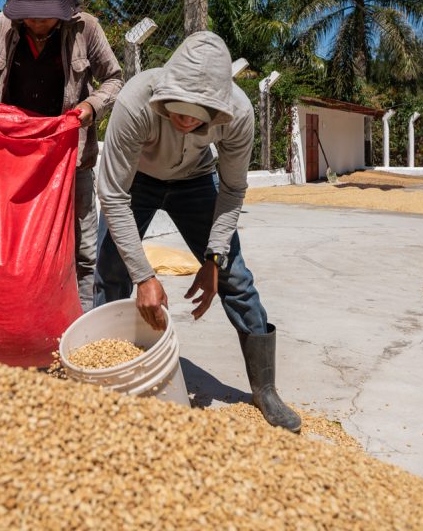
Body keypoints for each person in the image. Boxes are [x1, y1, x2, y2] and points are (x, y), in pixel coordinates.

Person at [93, 31, 301, 432]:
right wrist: (144, 275)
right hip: (137, 184)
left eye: (198, 114)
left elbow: (233, 188)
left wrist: (214, 257)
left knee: (235, 278)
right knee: (112, 270)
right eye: (178, 108)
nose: (186, 120)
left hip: (195, 182)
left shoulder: (239, 114)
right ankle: (102, 374)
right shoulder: (136, 99)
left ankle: (266, 389)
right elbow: (113, 194)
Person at [0, 0, 122, 311]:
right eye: (30, 17)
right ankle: (19, 315)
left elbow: (114, 79)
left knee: (82, 249)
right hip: (14, 159)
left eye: (44, 17)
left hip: (70, 157)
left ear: (61, 9)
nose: (36, 23)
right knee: (12, 243)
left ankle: (82, 327)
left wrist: (90, 108)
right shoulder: (2, 26)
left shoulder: (86, 29)